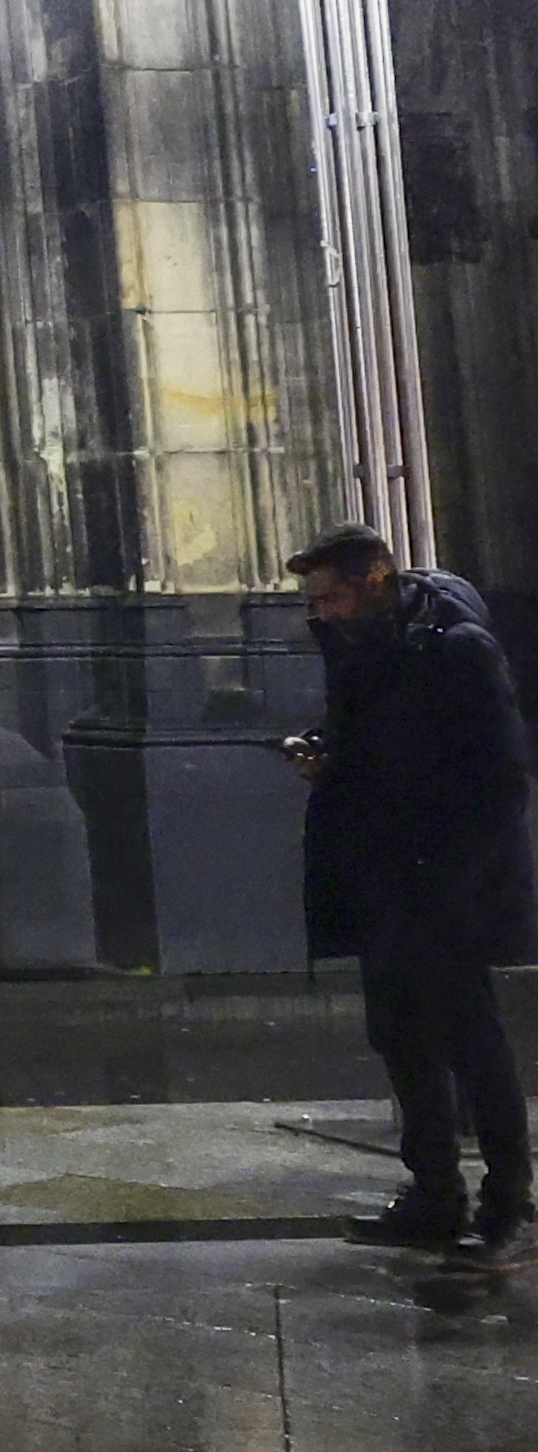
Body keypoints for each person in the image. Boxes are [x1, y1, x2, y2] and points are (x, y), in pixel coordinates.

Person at [288, 525, 535, 1259]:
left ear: (376, 579)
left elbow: (500, 779)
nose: (322, 612)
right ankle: (433, 1194)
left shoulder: (458, 648)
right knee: (401, 1037)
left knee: (472, 1043)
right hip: (384, 878)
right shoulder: (361, 646)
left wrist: (458, 883)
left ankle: (506, 1203)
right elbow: (362, 739)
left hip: (446, 885)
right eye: (315, 601)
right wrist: (322, 751)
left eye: (331, 596)